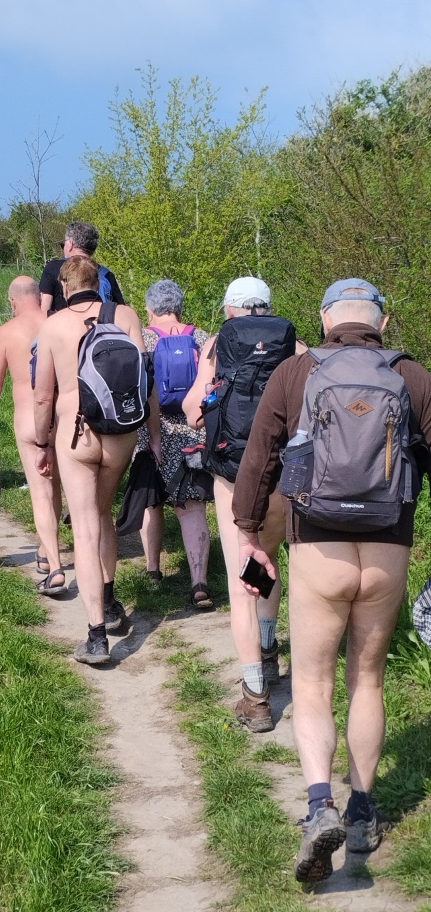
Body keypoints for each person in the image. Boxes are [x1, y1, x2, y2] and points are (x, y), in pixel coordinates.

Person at [232, 278, 431, 882]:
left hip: (318, 546)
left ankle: (321, 804)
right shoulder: (413, 376)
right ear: (383, 322)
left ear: (323, 320)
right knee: (367, 680)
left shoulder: (295, 373)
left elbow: (260, 456)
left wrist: (248, 533)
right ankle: (363, 812)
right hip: (388, 546)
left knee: (314, 683)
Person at [183, 276, 300, 732]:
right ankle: (269, 650)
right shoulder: (296, 345)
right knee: (268, 560)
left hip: (235, 475)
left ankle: (255, 696)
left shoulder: (218, 345)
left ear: (230, 309)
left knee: (241, 581)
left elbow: (194, 408)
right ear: (268, 305)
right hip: (283, 474)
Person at [34, 256, 161, 663]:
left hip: (77, 433)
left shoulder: (53, 325)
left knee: (86, 526)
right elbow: (147, 380)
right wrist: (155, 437)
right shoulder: (125, 315)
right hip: (120, 431)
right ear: (98, 283)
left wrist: (42, 442)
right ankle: (109, 601)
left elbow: (43, 396)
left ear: (65, 286)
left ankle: (96, 636)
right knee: (103, 515)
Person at [0, 276, 66, 594]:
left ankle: (55, 566)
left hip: (30, 421)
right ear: (38, 296)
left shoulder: (8, 332)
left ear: (12, 301)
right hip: (65, 418)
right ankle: (45, 550)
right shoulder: (59, 322)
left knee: (41, 491)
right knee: (58, 487)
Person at [136, 279, 213, 605]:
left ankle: (153, 570)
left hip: (153, 430)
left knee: (151, 502)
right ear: (180, 307)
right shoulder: (202, 338)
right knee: (191, 506)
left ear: (150, 309)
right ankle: (199, 582)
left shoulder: (142, 339)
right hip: (194, 431)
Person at [39, 221, 125, 314]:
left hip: (66, 322)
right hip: (99, 322)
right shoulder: (106, 274)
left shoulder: (53, 268)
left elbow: (44, 309)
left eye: (63, 244)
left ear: (70, 244)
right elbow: (120, 311)